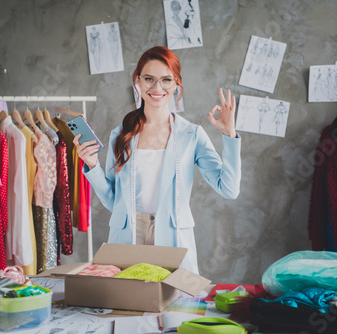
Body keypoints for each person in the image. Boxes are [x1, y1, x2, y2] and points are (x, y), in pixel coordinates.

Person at [74, 46, 241, 275]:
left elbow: (229, 189)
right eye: (149, 79)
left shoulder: (192, 134)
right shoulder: (121, 133)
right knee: (128, 304)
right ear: (138, 82)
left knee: (174, 305)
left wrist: (229, 136)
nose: (157, 88)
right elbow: (114, 202)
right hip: (127, 238)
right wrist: (92, 165)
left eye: (166, 80)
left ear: (176, 84)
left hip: (172, 238)